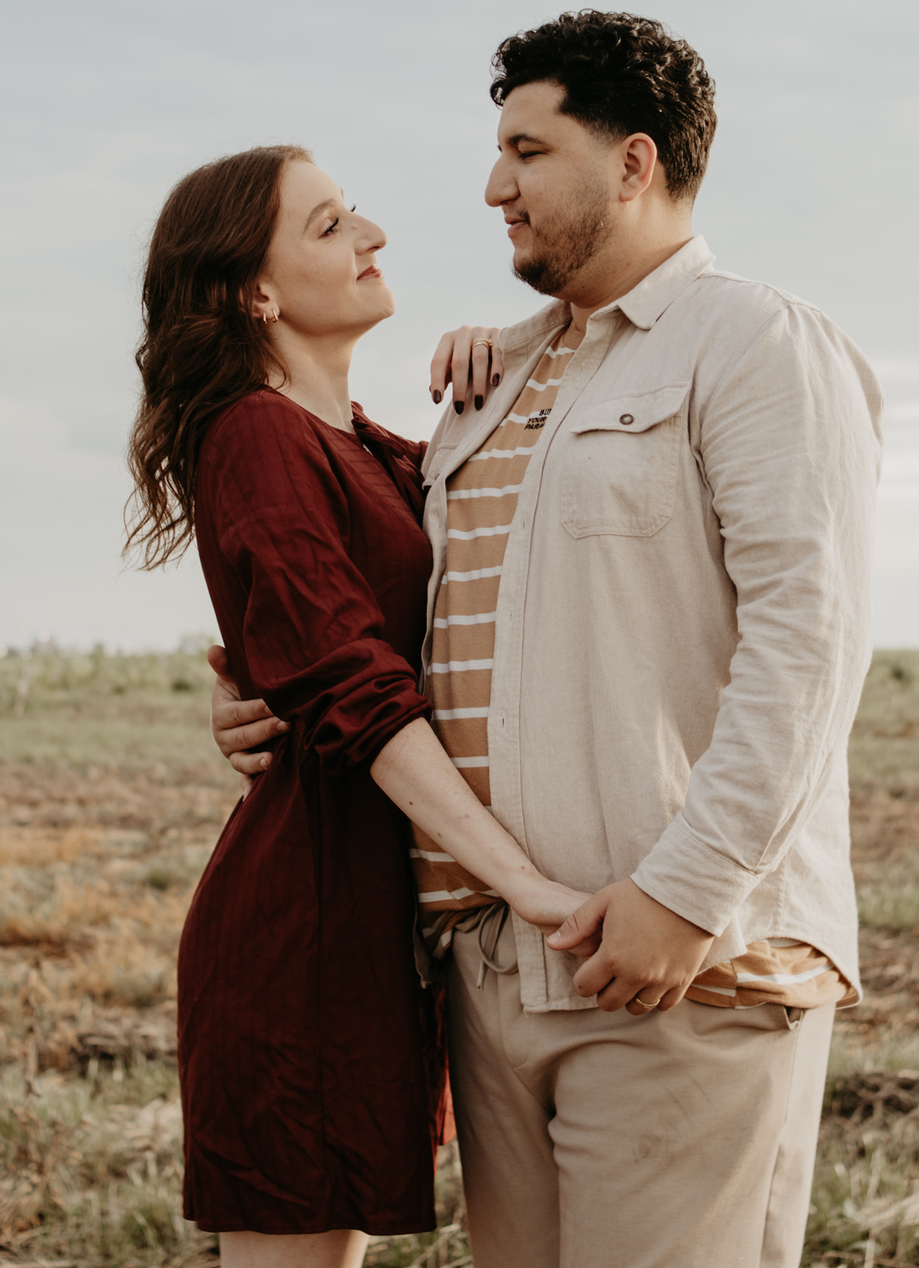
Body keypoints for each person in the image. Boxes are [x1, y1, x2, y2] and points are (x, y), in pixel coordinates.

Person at [213, 12, 883, 1268]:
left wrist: (687, 896)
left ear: (632, 164)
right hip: (490, 970)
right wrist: (253, 691)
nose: (492, 186)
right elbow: (380, 607)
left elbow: (810, 644)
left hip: (677, 968)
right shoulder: (497, 381)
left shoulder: (755, 343)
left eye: (527, 151)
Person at [125, 143, 587, 1268]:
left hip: (370, 923)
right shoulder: (255, 433)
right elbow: (351, 684)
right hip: (305, 930)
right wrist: (523, 880)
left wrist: (501, 356)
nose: (373, 235)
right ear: (256, 293)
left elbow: (468, 567)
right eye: (330, 225)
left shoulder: (364, 445)